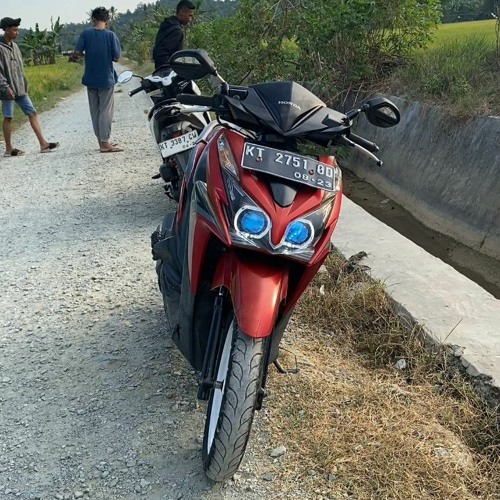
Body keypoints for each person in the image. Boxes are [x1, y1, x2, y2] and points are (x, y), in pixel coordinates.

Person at [0, 17, 60, 157]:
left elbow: (20, 68)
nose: (17, 32)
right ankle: (9, 149)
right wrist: (5, 88)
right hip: (7, 90)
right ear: (7, 30)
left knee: (32, 112)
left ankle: (43, 144)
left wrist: (25, 84)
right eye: (15, 30)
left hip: (20, 88)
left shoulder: (15, 46)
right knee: (8, 117)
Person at [73, 6, 122, 153]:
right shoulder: (111, 35)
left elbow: (77, 52)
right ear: (107, 20)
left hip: (90, 78)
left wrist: (85, 55)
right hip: (106, 78)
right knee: (106, 111)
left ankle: (101, 141)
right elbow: (116, 57)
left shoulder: (86, 34)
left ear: (93, 19)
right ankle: (105, 142)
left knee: (95, 110)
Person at [152, 0, 196, 70]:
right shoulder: (176, 30)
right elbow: (164, 53)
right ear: (182, 12)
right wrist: (168, 71)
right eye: (190, 15)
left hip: (159, 69)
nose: (190, 19)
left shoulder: (167, 24)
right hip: (166, 71)